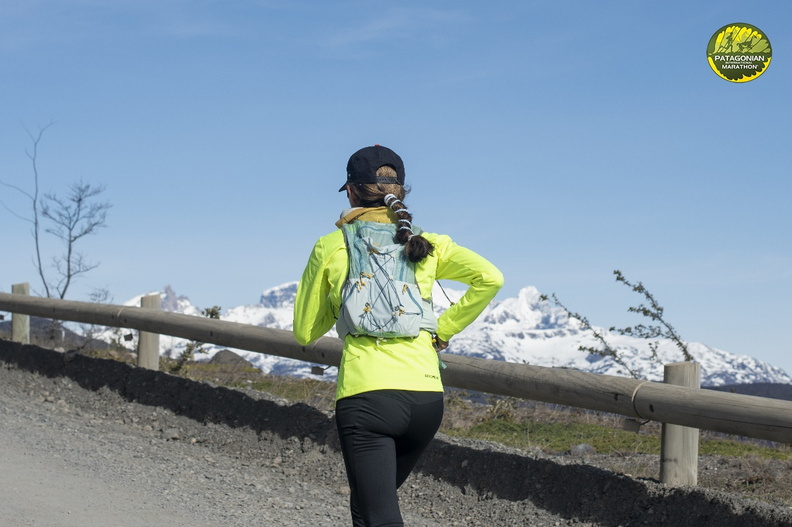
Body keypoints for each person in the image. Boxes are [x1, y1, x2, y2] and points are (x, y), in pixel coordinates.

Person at [293, 144, 503, 527]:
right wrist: (443, 330)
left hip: (368, 397)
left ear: (351, 192)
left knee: (379, 515)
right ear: (400, 191)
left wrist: (342, 303)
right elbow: (491, 278)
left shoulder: (331, 245)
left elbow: (305, 331)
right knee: (368, 507)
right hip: (426, 399)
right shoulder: (428, 244)